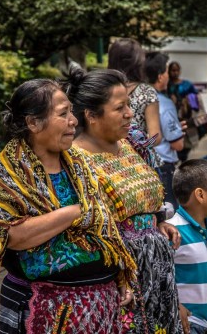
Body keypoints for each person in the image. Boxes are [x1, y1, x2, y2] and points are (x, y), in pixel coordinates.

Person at [0, 79, 137, 333]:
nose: (73, 120)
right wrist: (74, 212)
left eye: (71, 111)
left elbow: (105, 227)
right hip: (43, 308)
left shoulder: (80, 165)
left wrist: (120, 275)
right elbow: (9, 236)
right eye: (63, 114)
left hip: (101, 307)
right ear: (33, 122)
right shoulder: (6, 173)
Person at [64, 68, 184, 334]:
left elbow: (144, 203)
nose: (130, 113)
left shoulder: (129, 145)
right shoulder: (76, 161)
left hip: (155, 272)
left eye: (129, 104)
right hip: (119, 278)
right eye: (120, 108)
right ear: (91, 115)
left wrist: (156, 223)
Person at [168, 159, 207, 334]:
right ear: (200, 195)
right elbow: (160, 276)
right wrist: (174, 305)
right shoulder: (172, 231)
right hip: (186, 324)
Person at [146, 51, 185, 209]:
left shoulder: (133, 98)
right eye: (167, 72)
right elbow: (178, 145)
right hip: (163, 167)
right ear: (161, 76)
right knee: (168, 216)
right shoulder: (163, 102)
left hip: (140, 165)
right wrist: (177, 133)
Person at [108, 38, 161, 141]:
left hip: (105, 151)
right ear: (138, 62)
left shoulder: (103, 87)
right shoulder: (146, 92)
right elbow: (155, 137)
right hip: (134, 154)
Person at [168, 61, 200, 162]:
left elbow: (195, 100)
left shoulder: (187, 85)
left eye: (177, 70)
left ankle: (183, 160)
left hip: (186, 117)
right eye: (173, 70)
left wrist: (188, 101)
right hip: (171, 117)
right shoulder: (167, 85)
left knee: (186, 142)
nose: (175, 73)